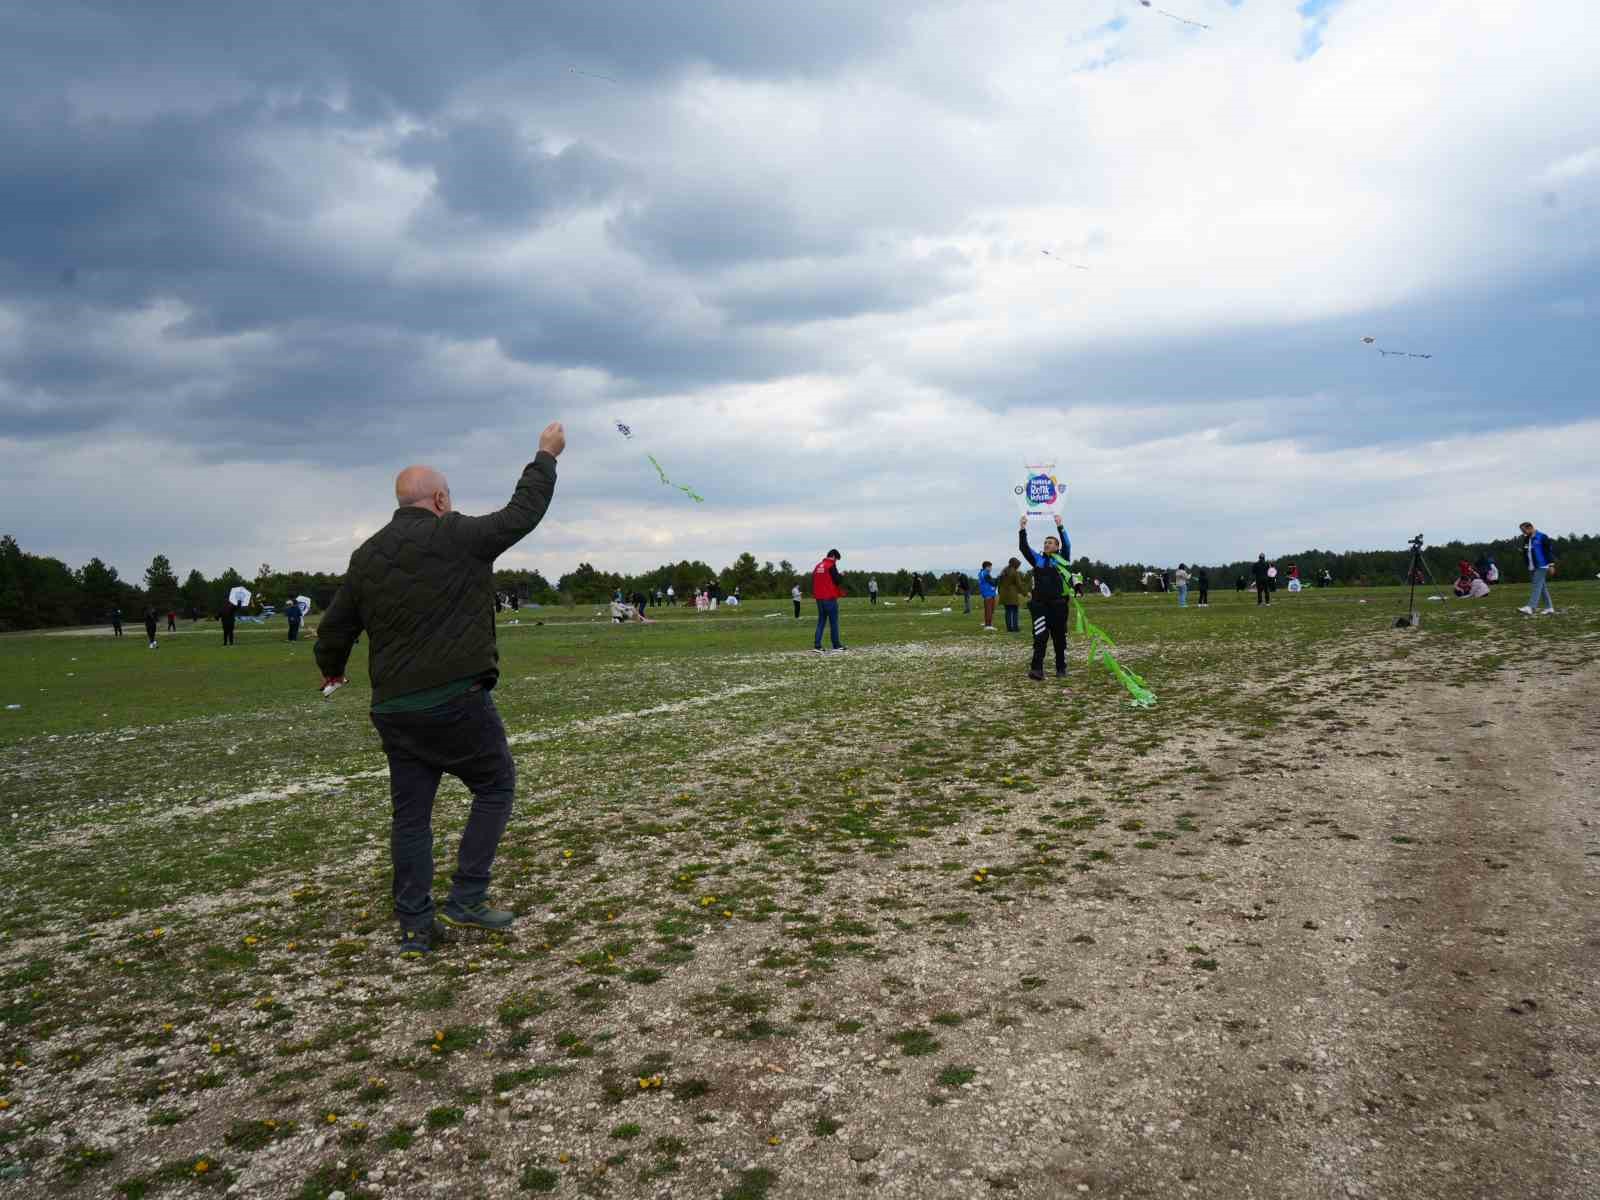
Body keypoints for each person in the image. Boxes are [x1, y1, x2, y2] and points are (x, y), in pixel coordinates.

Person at [314, 422, 564, 956]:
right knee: (495, 787)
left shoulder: (368, 554)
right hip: (454, 701)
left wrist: (331, 669)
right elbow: (521, 514)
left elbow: (335, 626)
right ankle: (468, 897)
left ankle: (414, 925)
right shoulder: (455, 533)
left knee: (411, 818)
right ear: (441, 499)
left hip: (396, 710)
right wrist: (545, 456)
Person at [1019, 513, 1070, 681]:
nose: (1047, 544)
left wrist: (1060, 526)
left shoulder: (1062, 559)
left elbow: (1067, 544)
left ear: (1057, 546)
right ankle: (1036, 670)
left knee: (1059, 639)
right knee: (1039, 637)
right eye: (1045, 542)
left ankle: (1061, 668)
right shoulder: (1038, 560)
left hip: (1059, 606)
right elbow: (1024, 548)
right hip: (1040, 607)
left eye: (1050, 543)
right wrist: (1023, 528)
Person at [811, 549, 847, 653]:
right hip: (829, 598)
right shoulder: (831, 565)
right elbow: (837, 580)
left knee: (821, 622)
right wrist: (842, 575)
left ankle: (817, 646)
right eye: (836, 559)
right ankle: (836, 645)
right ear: (834, 556)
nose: (836, 562)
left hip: (819, 598)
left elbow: (814, 579)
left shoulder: (818, 566)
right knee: (834, 622)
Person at [1518, 521, 1557, 615]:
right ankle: (1549, 608)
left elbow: (1549, 551)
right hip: (1532, 566)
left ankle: (1531, 607)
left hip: (1542, 565)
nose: (1523, 533)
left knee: (1536, 586)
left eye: (1524, 530)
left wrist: (1551, 565)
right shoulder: (1526, 539)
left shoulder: (1542, 537)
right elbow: (1526, 550)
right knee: (1542, 587)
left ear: (1530, 527)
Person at [997, 557, 1024, 633]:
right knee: (1015, 611)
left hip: (1004, 594)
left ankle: (1009, 628)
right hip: (1013, 594)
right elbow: (1019, 584)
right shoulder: (1015, 572)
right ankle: (1015, 628)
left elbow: (999, 583)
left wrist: (999, 592)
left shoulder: (1003, 571)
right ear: (1015, 564)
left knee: (1008, 612)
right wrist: (1025, 593)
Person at [977, 561, 998, 630]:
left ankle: (988, 624)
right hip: (988, 594)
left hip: (988, 593)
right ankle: (988, 625)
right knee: (989, 610)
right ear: (986, 567)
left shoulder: (982, 573)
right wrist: (998, 579)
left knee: (989, 610)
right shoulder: (985, 574)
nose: (991, 568)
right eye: (990, 567)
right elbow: (993, 583)